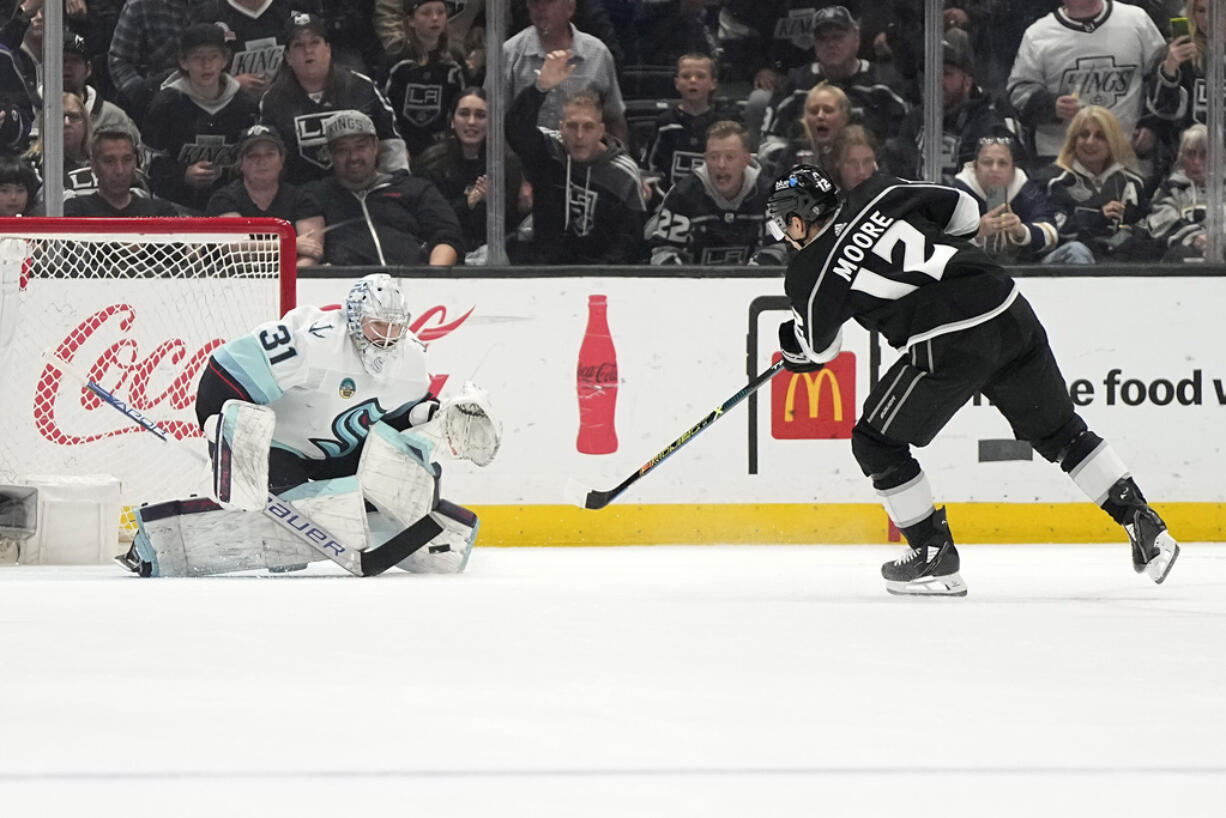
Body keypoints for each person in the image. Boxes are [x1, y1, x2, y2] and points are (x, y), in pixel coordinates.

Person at [765, 163, 1179, 596]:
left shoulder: (808, 273)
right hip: (1006, 305)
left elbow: (819, 350)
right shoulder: (880, 190)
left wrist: (794, 345)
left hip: (949, 341)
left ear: (797, 219)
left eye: (785, 225)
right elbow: (965, 211)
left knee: (876, 441)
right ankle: (1142, 522)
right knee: (1061, 433)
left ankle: (933, 555)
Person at [117, 273, 500, 577]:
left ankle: (386, 517)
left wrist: (432, 419)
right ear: (353, 320)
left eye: (393, 328)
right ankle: (248, 515)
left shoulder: (413, 359)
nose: (385, 338)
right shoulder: (312, 343)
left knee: (414, 462)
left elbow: (400, 418)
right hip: (283, 449)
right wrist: (221, 431)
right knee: (279, 510)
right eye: (375, 326)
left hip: (347, 456)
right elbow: (224, 372)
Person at [505, 49, 646, 265]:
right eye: (572, 126)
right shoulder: (550, 150)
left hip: (601, 273)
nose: (579, 135)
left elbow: (630, 240)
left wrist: (597, 274)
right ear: (561, 128)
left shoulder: (624, 172)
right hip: (545, 268)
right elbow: (515, 128)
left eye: (588, 127)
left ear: (601, 130)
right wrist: (540, 87)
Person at [1007, 0, 1166, 168]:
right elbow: (1018, 92)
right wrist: (1051, 105)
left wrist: (1151, 125)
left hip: (1126, 153)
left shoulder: (1136, 20)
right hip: (1061, 159)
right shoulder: (1037, 35)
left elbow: (1164, 77)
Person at [258, 12, 407, 186]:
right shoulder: (273, 101)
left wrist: (396, 184)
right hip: (302, 197)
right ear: (288, 57)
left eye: (315, 42)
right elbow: (267, 157)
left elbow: (391, 140)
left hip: (361, 189)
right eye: (299, 45)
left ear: (328, 49)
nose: (308, 51)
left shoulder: (361, 87)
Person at [309, 109, 463, 266]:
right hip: (342, 287)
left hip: (413, 284)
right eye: (342, 150)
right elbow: (306, 247)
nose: (353, 157)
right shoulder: (316, 195)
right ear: (329, 154)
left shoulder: (416, 188)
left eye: (361, 147)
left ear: (376, 146)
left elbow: (447, 237)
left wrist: (430, 280)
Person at [142, 24, 260, 213]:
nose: (207, 65)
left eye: (213, 56)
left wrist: (227, 171)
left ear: (225, 59)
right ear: (183, 61)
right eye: (198, 58)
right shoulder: (165, 104)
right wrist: (184, 174)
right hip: (175, 207)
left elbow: (255, 160)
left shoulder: (245, 105)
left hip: (231, 207)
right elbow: (148, 164)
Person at [761, 5, 909, 149]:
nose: (830, 44)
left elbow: (900, 144)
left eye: (838, 37)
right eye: (822, 38)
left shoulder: (883, 84)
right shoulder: (796, 83)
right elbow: (770, 140)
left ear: (856, 39)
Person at [412, 87, 528, 263]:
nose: (471, 122)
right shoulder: (430, 163)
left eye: (481, 115)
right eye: (464, 114)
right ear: (452, 121)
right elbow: (427, 221)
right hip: (443, 250)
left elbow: (513, 225)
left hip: (495, 253)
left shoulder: (508, 164)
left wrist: (495, 203)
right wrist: (468, 203)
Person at [647, 120, 786, 266]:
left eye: (730, 157)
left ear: (746, 160)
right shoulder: (682, 195)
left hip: (752, 285)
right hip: (693, 285)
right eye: (714, 157)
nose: (721, 165)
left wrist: (751, 276)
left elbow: (778, 249)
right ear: (705, 159)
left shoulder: (769, 195)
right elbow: (663, 253)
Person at [891, 29, 1019, 186]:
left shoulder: (988, 124)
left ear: (967, 81)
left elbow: (998, 187)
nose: (936, 82)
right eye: (931, 73)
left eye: (946, 74)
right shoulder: (913, 121)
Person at [494, 0, 629, 142]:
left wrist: (621, 161)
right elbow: (493, 121)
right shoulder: (509, 53)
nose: (540, 8)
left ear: (570, 7)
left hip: (584, 158)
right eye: (534, 2)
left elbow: (614, 120)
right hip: (522, 159)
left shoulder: (597, 54)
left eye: (548, 2)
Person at [206, 124, 325, 267]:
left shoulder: (303, 198)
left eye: (270, 154)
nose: (262, 161)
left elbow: (312, 252)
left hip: (294, 283)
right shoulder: (223, 198)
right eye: (253, 155)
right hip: (233, 283)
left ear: (282, 160)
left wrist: (286, 284)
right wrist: (290, 244)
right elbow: (235, 249)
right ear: (240, 163)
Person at [1045, 106, 1149, 263]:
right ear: (1073, 140)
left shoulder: (1133, 183)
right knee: (1077, 251)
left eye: (1100, 136)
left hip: (1114, 264)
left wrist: (1121, 239)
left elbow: (1142, 229)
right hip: (1064, 264)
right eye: (1084, 135)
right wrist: (1099, 218)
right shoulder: (1055, 181)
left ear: (1112, 142)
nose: (1090, 142)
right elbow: (1056, 232)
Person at [953, 134, 1063, 264]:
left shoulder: (1025, 189)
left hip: (1025, 271)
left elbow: (1051, 233)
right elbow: (938, 240)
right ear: (975, 166)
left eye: (1003, 163)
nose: (994, 169)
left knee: (1075, 250)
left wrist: (1022, 231)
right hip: (970, 272)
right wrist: (976, 233)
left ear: (1013, 168)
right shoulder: (957, 192)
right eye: (987, 162)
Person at [381, 0, 469, 159]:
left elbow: (464, 103)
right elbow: (382, 106)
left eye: (440, 12)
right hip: (403, 144)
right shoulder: (396, 58)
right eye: (426, 13)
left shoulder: (454, 60)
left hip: (442, 146)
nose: (435, 18)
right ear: (411, 21)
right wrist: (395, 142)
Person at [641, 53, 737, 196]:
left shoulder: (724, 126)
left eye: (700, 76)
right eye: (686, 76)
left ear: (713, 83)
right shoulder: (665, 124)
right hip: (669, 202)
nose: (693, 80)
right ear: (677, 83)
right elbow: (649, 169)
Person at [189, 0, 297, 102]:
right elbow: (188, 71)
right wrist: (229, 85)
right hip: (228, 108)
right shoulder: (208, 14)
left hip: (287, 104)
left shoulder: (292, 6)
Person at [107, 0, 196, 119]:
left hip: (207, 99)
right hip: (156, 104)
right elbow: (119, 60)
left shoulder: (216, 5)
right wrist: (141, 95)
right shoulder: (139, 5)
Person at [63, 129, 180, 217]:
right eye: (109, 161)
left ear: (135, 162)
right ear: (93, 165)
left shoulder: (161, 213)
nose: (120, 170)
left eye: (127, 160)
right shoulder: (77, 211)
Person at [1144, 123, 1211, 261]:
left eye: (1204, 155)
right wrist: (1195, 238)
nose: (1196, 161)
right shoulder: (1170, 188)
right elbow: (1161, 222)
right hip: (1183, 256)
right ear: (1181, 157)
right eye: (1190, 154)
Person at [760, 82, 850, 181]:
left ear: (844, 118)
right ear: (805, 119)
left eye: (828, 110)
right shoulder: (791, 154)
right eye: (813, 111)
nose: (820, 116)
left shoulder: (857, 153)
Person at [829, 123, 880, 192]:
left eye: (867, 161)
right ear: (837, 162)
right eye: (852, 163)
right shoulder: (827, 199)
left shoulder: (889, 197)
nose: (861, 171)